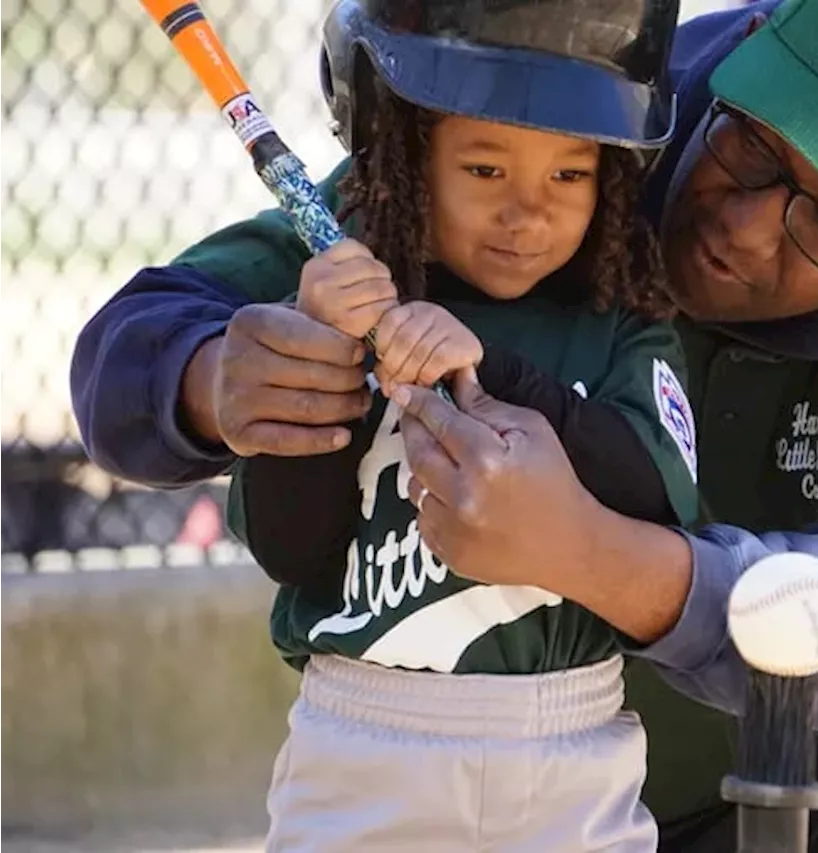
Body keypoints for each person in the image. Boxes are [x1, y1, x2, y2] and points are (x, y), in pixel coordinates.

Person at [70, 0, 818, 850]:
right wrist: (211, 379)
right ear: (750, 46)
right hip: (485, 764)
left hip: (795, 786)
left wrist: (590, 552)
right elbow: (166, 329)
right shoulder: (593, 105)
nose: (743, 224)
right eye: (749, 146)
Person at [88, 0, 701, 851]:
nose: (527, 215)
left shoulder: (619, 304)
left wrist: (495, 368)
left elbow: (653, 494)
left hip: (571, 736)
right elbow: (293, 551)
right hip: (360, 734)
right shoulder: (343, 255)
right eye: (485, 170)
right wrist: (303, 365)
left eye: (570, 173)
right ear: (410, 154)